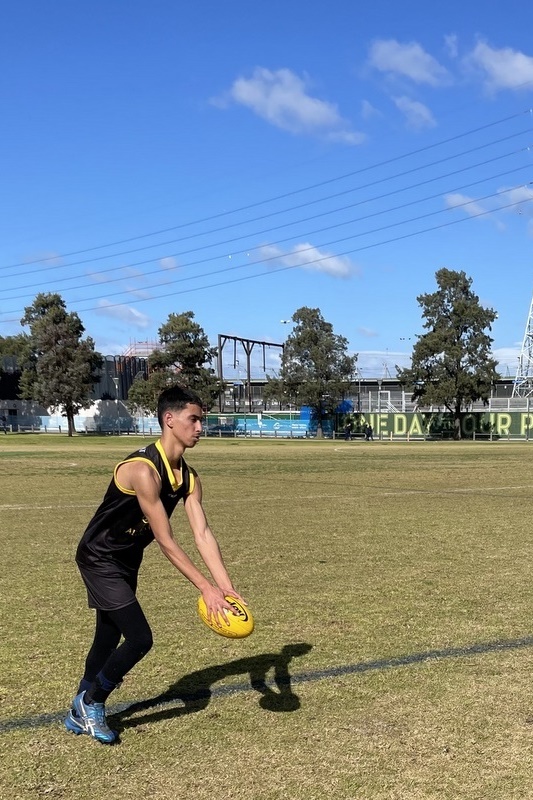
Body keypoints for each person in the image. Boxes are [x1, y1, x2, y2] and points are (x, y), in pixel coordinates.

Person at [65, 385, 245, 744]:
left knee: (108, 633)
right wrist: (205, 589)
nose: (199, 428)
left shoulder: (189, 478)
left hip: (127, 558)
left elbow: (203, 533)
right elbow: (165, 540)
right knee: (139, 638)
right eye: (193, 419)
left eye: (201, 421)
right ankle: (92, 701)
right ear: (169, 419)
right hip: (100, 557)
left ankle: (78, 707)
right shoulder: (143, 470)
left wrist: (224, 586)